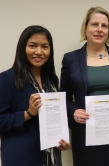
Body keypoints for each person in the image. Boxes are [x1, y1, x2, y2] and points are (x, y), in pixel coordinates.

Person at [60, 6, 109, 166]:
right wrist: (73, 111)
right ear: (85, 28)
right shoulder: (71, 59)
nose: (99, 29)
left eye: (104, 26)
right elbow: (63, 97)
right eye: (94, 24)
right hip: (86, 135)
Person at [0, 25, 70, 166]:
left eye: (45, 47)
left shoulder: (52, 80)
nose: (39, 52)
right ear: (22, 48)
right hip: (21, 159)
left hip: (51, 158)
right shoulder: (7, 79)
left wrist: (62, 140)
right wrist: (28, 113)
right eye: (32, 46)